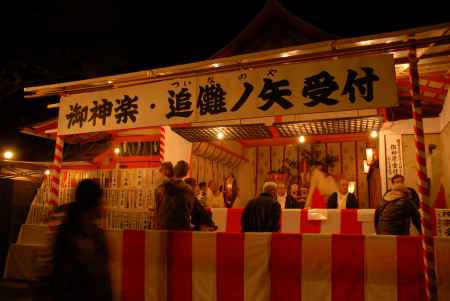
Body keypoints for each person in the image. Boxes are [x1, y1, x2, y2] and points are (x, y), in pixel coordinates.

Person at [51, 179, 112, 301]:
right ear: (94, 203)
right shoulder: (75, 235)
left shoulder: (92, 232)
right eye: (102, 200)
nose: (105, 205)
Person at [154, 162, 174, 228]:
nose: (160, 171)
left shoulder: (166, 182)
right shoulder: (171, 182)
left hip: (165, 216)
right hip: (164, 215)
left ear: (168, 170)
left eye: (162, 169)